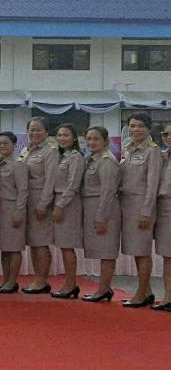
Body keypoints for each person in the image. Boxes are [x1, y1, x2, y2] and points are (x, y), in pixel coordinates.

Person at [119, 112, 161, 308]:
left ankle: (141, 293)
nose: (135, 129)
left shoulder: (152, 151)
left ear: (149, 129)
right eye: (132, 126)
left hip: (141, 207)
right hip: (127, 206)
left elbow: (152, 185)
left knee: (142, 251)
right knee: (137, 251)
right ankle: (148, 291)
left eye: (140, 126)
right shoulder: (129, 148)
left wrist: (146, 211)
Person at [80, 126, 121, 303]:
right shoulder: (91, 159)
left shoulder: (106, 161)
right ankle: (104, 288)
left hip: (105, 210)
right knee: (102, 250)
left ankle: (103, 289)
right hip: (93, 207)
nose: (91, 142)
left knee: (107, 251)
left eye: (96, 139)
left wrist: (101, 216)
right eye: (88, 139)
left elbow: (108, 191)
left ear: (106, 141)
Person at [21, 116, 58, 295]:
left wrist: (43, 203)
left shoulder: (50, 152)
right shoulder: (26, 150)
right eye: (31, 130)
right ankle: (38, 279)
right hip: (26, 200)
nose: (34, 133)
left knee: (41, 242)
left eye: (38, 130)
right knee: (33, 242)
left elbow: (51, 180)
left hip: (40, 200)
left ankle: (42, 281)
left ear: (47, 132)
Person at [50, 123, 85, 299]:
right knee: (63, 245)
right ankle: (70, 283)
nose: (62, 138)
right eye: (60, 135)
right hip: (58, 200)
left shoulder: (75, 157)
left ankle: (71, 284)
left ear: (74, 138)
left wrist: (60, 205)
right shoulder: (60, 156)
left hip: (68, 203)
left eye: (66, 135)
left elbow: (73, 185)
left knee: (67, 245)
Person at [0, 132, 27, 293]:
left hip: (13, 208)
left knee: (14, 247)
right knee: (4, 248)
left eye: (5, 143)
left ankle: (12, 281)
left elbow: (23, 190)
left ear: (14, 145)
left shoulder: (18, 164)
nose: (2, 146)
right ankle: (5, 280)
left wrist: (19, 211)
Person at [152, 123, 171, 311]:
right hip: (164, 209)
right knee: (168, 256)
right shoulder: (163, 156)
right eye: (165, 134)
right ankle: (168, 296)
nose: (168, 137)